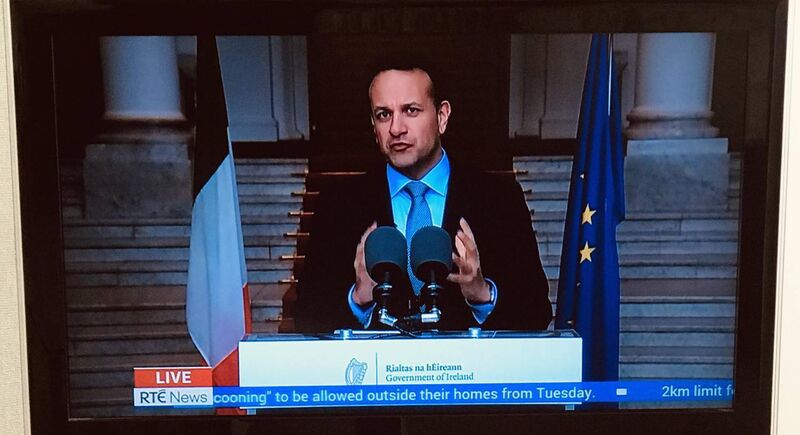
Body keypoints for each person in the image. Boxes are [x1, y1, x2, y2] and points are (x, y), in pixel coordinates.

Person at [294, 67, 552, 332]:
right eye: (384, 115)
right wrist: (358, 300)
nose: (396, 128)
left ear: (442, 117)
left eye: (411, 110)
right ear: (374, 125)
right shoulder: (338, 205)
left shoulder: (499, 198)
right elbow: (306, 317)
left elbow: (537, 313)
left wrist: (482, 295)